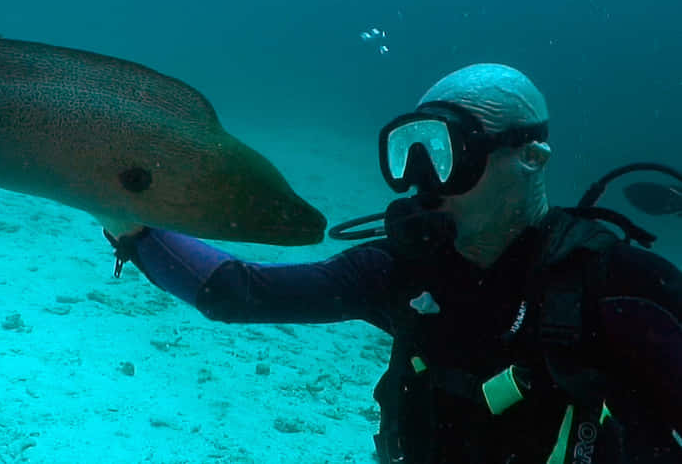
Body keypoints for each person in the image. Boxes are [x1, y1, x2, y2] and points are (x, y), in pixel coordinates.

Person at [102, 63, 682, 463]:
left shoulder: (618, 286)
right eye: (413, 154)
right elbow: (240, 292)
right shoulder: (404, 270)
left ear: (530, 158)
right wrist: (132, 227)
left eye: (453, 154)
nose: (424, 182)